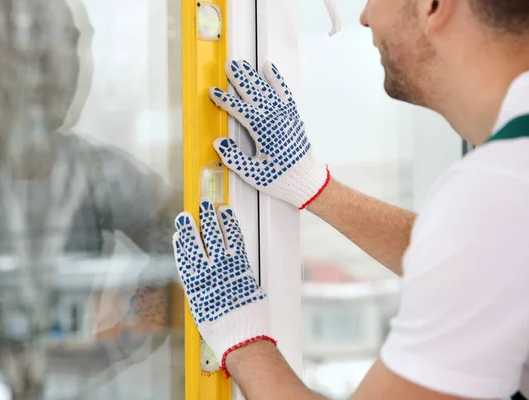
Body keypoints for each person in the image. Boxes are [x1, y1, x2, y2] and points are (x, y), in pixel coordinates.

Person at [172, 0, 529, 399]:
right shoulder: (510, 187)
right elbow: (480, 257)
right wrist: (315, 188)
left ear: (433, 6)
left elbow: (484, 234)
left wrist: (245, 342)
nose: (365, 15)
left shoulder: (502, 188)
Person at [0, 0, 177, 396]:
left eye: (72, 43)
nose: (61, 68)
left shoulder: (97, 172)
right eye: (34, 40)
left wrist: (119, 341)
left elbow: (183, 246)